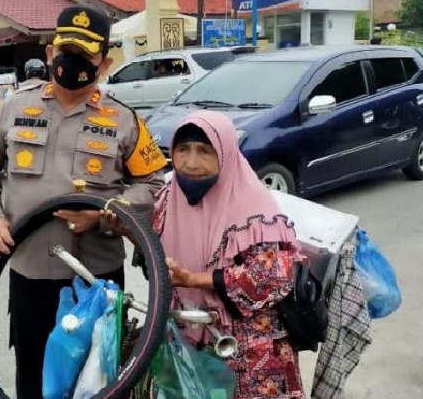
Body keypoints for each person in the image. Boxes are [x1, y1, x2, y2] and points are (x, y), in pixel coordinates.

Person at [0, 4, 167, 399]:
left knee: (97, 382)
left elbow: (152, 182)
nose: (70, 61)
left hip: (97, 278)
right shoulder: (14, 106)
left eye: (84, 55)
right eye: (64, 50)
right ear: (48, 54)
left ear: (104, 64)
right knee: (35, 377)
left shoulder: (124, 120)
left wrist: (105, 217)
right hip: (30, 273)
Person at [130, 111, 305, 399]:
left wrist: (195, 279)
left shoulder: (255, 207)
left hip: (247, 350)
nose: (191, 162)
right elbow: (155, 259)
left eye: (204, 151)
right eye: (182, 150)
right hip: (185, 337)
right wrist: (126, 231)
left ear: (224, 153)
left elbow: (272, 278)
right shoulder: (167, 198)